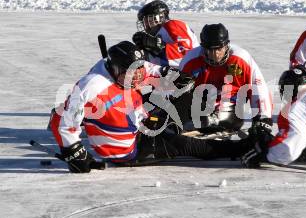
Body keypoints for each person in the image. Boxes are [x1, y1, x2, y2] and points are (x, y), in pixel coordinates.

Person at [50, 41, 250, 173]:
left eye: (138, 69)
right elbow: (60, 120)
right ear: (115, 69)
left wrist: (172, 75)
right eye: (131, 72)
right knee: (186, 146)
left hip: (140, 125)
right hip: (130, 150)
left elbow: (151, 70)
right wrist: (74, 152)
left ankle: (175, 125)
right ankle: (244, 149)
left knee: (186, 93)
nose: (137, 76)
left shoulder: (129, 71)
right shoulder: (93, 84)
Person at [179, 23, 273, 133]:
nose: (215, 54)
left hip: (230, 106)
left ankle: (213, 122)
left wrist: (263, 118)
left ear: (226, 45)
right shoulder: (190, 60)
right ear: (203, 47)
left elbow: (259, 88)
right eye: (210, 50)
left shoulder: (241, 59)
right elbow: (177, 90)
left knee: (227, 117)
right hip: (200, 105)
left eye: (219, 49)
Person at [132, 0, 198, 68]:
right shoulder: (157, 35)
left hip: (192, 74)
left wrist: (158, 45)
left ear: (160, 18)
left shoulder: (173, 25)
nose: (146, 26)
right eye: (144, 22)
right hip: (173, 75)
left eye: (148, 21)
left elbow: (186, 54)